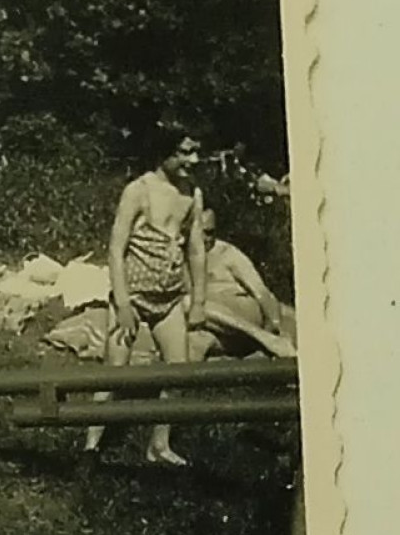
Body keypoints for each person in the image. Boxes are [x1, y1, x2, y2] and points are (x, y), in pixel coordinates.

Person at [83, 136, 207, 466]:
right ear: (162, 153)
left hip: (168, 297)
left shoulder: (191, 194)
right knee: (113, 374)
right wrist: (123, 303)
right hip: (133, 295)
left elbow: (195, 250)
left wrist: (198, 301)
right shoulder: (139, 190)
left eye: (196, 152)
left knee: (178, 373)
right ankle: (91, 447)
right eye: (183, 152)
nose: (192, 160)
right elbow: (115, 249)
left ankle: (159, 445)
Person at [188, 208, 296, 361]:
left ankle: (265, 338)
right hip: (214, 327)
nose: (206, 239)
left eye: (210, 232)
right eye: (201, 232)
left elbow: (261, 292)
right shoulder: (181, 257)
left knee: (187, 303)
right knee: (195, 342)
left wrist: (276, 325)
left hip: (242, 313)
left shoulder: (226, 253)